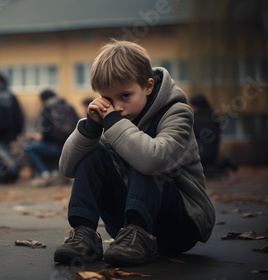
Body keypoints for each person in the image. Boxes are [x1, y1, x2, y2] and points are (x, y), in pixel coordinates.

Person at [54, 39, 215, 266]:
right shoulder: (110, 119)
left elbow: (155, 160)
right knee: (93, 154)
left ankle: (140, 232)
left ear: (148, 86)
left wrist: (113, 123)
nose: (117, 107)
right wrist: (90, 129)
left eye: (125, 96)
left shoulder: (177, 112)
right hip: (124, 233)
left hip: (180, 225)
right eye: (108, 99)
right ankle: (84, 235)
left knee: (147, 156)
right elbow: (67, 168)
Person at [24, 89, 77, 186]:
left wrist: (39, 137)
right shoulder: (69, 107)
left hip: (56, 147)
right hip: (71, 147)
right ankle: (57, 173)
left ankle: (45, 174)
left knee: (29, 148)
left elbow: (46, 134)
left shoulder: (47, 109)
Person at [190, 94, 238, 177]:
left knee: (195, 170)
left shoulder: (198, 120)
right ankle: (222, 162)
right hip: (212, 152)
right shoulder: (211, 116)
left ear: (196, 106)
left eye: (190, 105)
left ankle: (222, 164)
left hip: (202, 153)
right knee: (205, 167)